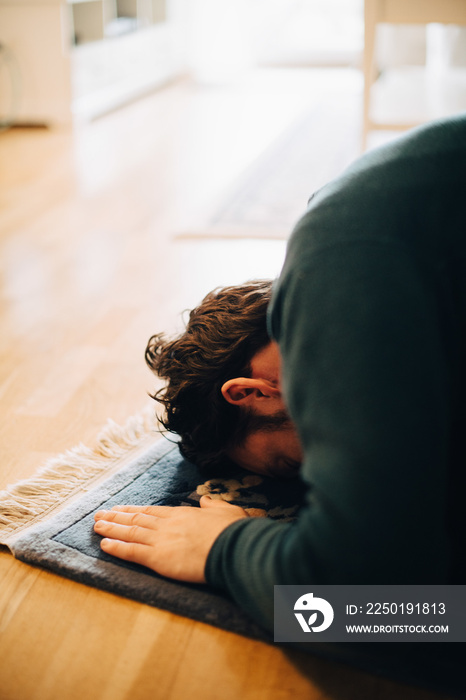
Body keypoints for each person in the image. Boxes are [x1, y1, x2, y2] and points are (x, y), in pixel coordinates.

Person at [94, 113, 466, 693]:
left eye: (290, 465)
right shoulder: (364, 247)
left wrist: (222, 549)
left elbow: (361, 610)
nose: (310, 480)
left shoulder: (342, 270)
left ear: (252, 393)